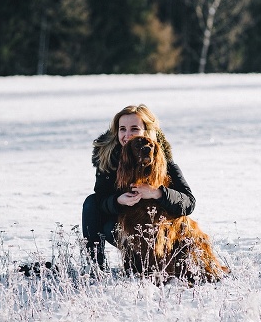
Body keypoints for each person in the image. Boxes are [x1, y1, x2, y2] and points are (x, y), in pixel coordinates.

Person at [81, 105, 196, 270]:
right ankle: (94, 268)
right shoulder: (109, 160)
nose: (127, 135)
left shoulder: (164, 162)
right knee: (91, 203)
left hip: (156, 232)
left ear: (147, 131)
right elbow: (100, 199)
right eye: (122, 129)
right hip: (120, 224)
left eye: (134, 128)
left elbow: (189, 203)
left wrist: (158, 193)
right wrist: (117, 201)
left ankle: (147, 265)